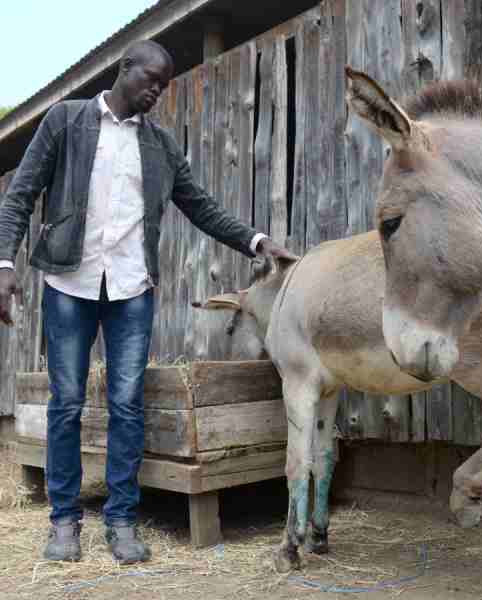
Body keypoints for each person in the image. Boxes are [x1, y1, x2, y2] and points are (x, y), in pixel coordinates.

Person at [0, 40, 295, 564]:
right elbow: (19, 195)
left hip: (131, 290)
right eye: (151, 79)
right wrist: (3, 264)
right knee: (66, 405)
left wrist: (255, 241)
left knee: (127, 406)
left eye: (165, 83)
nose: (157, 90)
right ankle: (64, 522)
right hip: (69, 284)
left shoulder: (158, 144)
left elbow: (200, 205)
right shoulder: (66, 121)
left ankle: (121, 520)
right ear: (124, 70)